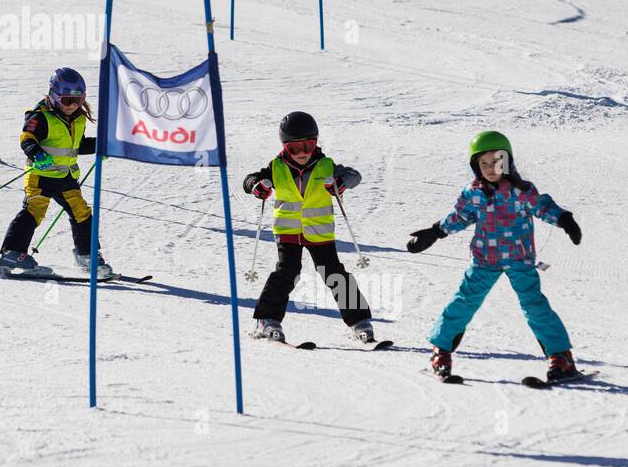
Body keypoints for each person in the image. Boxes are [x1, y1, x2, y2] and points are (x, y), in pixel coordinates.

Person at [408, 131, 583, 383]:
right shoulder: (473, 193)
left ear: (507, 161)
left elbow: (542, 206)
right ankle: (441, 352)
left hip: (519, 260)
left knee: (535, 307)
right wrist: (435, 232)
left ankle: (561, 358)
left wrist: (564, 219)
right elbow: (460, 217)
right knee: (463, 302)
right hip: (484, 261)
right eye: (484, 163)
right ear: (476, 166)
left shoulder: (521, 191)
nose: (491, 168)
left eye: (497, 161)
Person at [241, 112, 374, 344]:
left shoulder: (326, 165)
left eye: (308, 145)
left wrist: (342, 183)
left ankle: (359, 321)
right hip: (288, 231)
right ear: (285, 147)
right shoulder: (276, 167)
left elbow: (354, 176)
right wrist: (256, 186)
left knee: (334, 274)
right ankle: (266, 320)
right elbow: (250, 180)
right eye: (294, 148)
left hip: (319, 232)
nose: (302, 152)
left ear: (316, 142)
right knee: (287, 272)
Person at [0, 68, 112, 278]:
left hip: (65, 176)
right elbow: (27, 138)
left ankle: (87, 255)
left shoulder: (79, 118)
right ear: (53, 95)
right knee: (34, 210)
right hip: (41, 174)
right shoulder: (41, 116)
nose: (73, 105)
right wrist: (37, 154)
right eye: (67, 100)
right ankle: (12, 253)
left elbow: (77, 145)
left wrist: (102, 146)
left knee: (82, 213)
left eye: (79, 99)